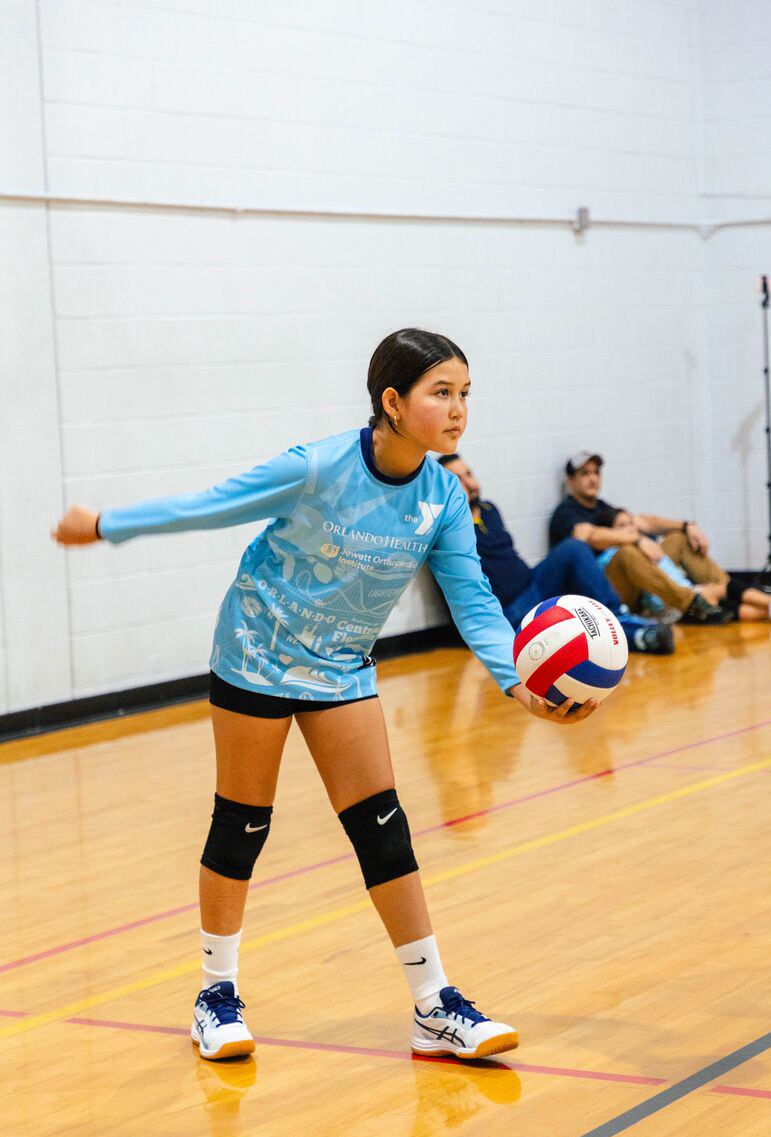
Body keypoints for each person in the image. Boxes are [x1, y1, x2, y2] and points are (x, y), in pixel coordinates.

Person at [52, 328, 599, 1064]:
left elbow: (475, 603)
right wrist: (106, 525)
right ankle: (216, 996)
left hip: (341, 666)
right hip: (256, 655)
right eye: (443, 393)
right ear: (393, 403)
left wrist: (522, 688)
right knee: (242, 822)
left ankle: (434, 1006)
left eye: (466, 394)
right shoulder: (316, 468)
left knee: (383, 827)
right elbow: (210, 507)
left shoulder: (441, 497)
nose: (459, 410)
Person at [438, 453, 674, 654]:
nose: (468, 483)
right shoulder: (447, 526)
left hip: (532, 584)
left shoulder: (489, 509)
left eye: (468, 474)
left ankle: (619, 619)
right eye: (456, 480)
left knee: (573, 548)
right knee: (569, 631)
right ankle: (639, 635)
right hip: (508, 610)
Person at [548, 452, 730, 624]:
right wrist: (636, 540)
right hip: (600, 596)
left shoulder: (603, 507)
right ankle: (691, 603)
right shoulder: (565, 514)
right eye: (585, 474)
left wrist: (686, 525)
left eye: (596, 472)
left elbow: (645, 522)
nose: (593, 478)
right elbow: (592, 536)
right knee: (627, 553)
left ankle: (728, 590)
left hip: (639, 585)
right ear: (570, 481)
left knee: (677, 539)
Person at [599, 509, 771, 624]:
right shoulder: (614, 556)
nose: (631, 529)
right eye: (622, 526)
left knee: (729, 607)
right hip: (670, 604)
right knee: (726, 590)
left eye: (631, 523)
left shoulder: (648, 547)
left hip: (679, 596)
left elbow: (647, 522)